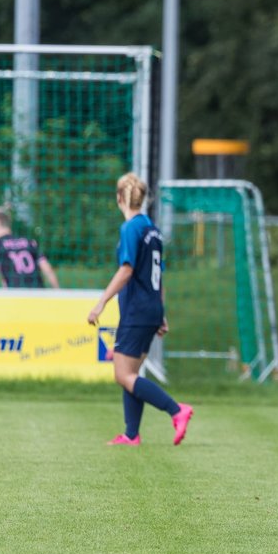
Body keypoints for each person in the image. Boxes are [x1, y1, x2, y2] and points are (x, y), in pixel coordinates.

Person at [87, 173, 193, 446]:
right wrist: (161, 312)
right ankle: (131, 434)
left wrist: (101, 302)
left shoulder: (131, 228)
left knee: (123, 374)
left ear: (119, 198)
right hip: (150, 308)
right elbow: (158, 275)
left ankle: (176, 410)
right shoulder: (152, 229)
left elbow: (127, 270)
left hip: (136, 311)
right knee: (130, 372)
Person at [0, 206, 61, 289]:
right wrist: (58, 292)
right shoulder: (29, 242)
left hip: (15, 296)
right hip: (38, 294)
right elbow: (47, 269)